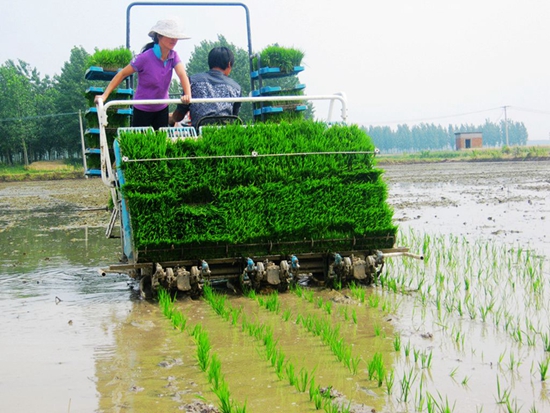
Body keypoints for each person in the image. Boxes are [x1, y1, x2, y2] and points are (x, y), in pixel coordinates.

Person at [95, 18, 192, 130]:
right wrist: (104, 95)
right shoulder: (145, 57)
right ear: (159, 36)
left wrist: (187, 95)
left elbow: (182, 75)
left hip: (162, 107)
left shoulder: (173, 56)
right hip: (142, 108)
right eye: (170, 36)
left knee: (161, 143)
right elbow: (122, 74)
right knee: (139, 143)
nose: (174, 40)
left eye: (176, 37)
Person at [169, 46, 241, 129]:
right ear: (229, 64)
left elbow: (179, 116)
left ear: (210, 62)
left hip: (199, 133)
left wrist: (171, 118)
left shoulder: (192, 81)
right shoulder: (236, 88)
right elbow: (234, 118)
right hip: (226, 133)